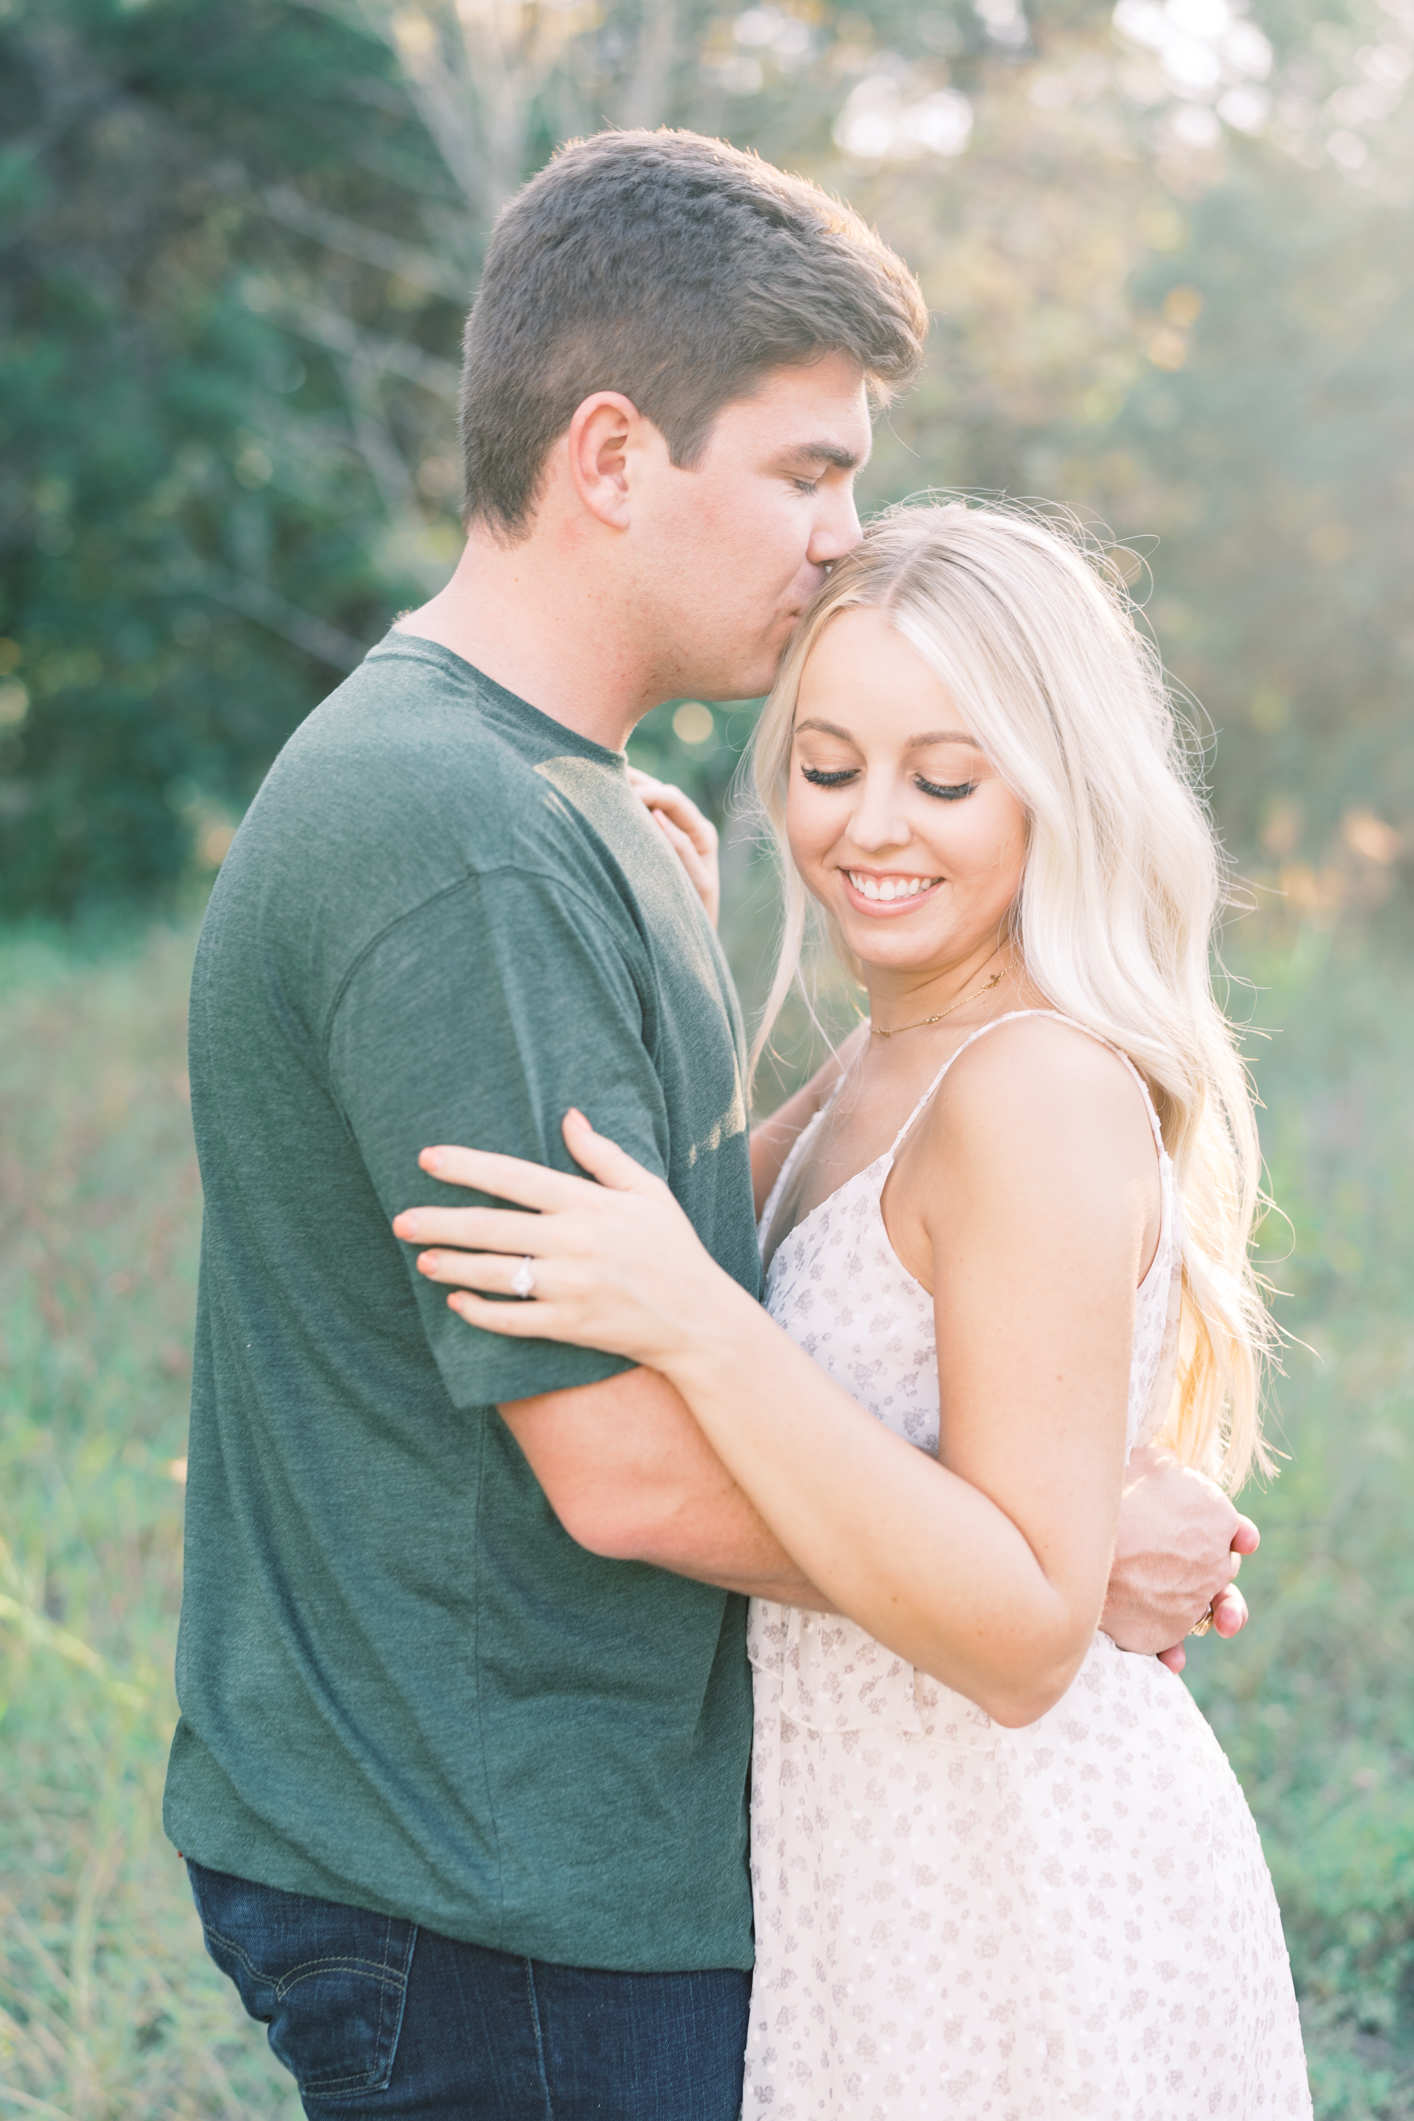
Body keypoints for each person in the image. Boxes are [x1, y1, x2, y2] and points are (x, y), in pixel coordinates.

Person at [168, 126, 1255, 2120]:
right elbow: (634, 1472)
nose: (841, 530)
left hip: (693, 1862)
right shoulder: (472, 836)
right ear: (606, 459)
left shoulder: (555, 812)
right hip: (494, 1878)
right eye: (803, 470)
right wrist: (1055, 1553)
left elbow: (740, 1255)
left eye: (941, 772)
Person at [395, 501, 1310, 2116]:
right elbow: (717, 1274)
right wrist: (657, 955)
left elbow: (1022, 1636)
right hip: (871, 1861)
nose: (871, 828)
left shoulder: (1028, 1083)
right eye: (828, 768)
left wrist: (698, 1319)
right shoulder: (879, 1060)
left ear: (1054, 788)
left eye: (943, 779)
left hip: (1019, 1879)